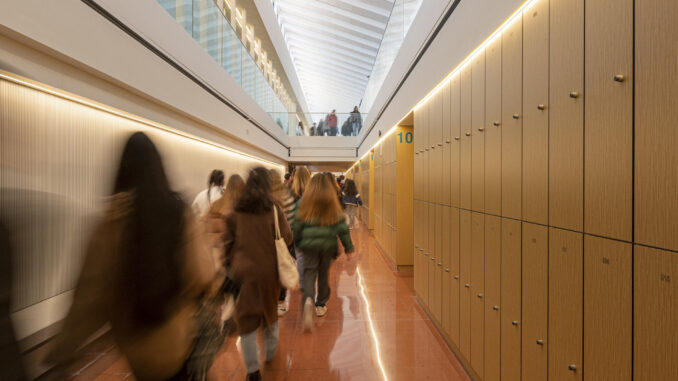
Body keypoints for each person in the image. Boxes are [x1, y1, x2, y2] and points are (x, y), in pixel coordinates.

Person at [45, 132, 216, 380]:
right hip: (176, 341)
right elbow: (201, 274)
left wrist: (63, 352)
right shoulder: (178, 212)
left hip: (135, 350)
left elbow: (89, 297)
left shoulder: (109, 223)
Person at [222, 167, 293, 381]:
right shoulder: (273, 210)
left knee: (247, 322)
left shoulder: (235, 212)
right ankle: (270, 354)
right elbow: (287, 237)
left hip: (243, 275)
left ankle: (253, 371)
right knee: (269, 315)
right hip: (269, 273)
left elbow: (227, 245)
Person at [292, 174, 354, 331]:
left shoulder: (303, 202)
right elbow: (342, 227)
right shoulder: (332, 202)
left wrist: (297, 243)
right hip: (327, 246)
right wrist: (348, 247)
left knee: (308, 273)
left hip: (308, 245)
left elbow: (297, 225)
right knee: (324, 274)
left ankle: (308, 300)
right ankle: (321, 305)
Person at [268, 169, 297, 316]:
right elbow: (292, 218)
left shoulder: (263, 197)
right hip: (283, 239)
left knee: (269, 271)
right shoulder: (287, 195)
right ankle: (280, 302)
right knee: (283, 266)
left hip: (266, 242)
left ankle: (269, 301)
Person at [289, 167, 311, 280]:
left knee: (300, 256)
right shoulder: (313, 193)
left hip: (296, 229)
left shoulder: (290, 193)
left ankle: (303, 281)